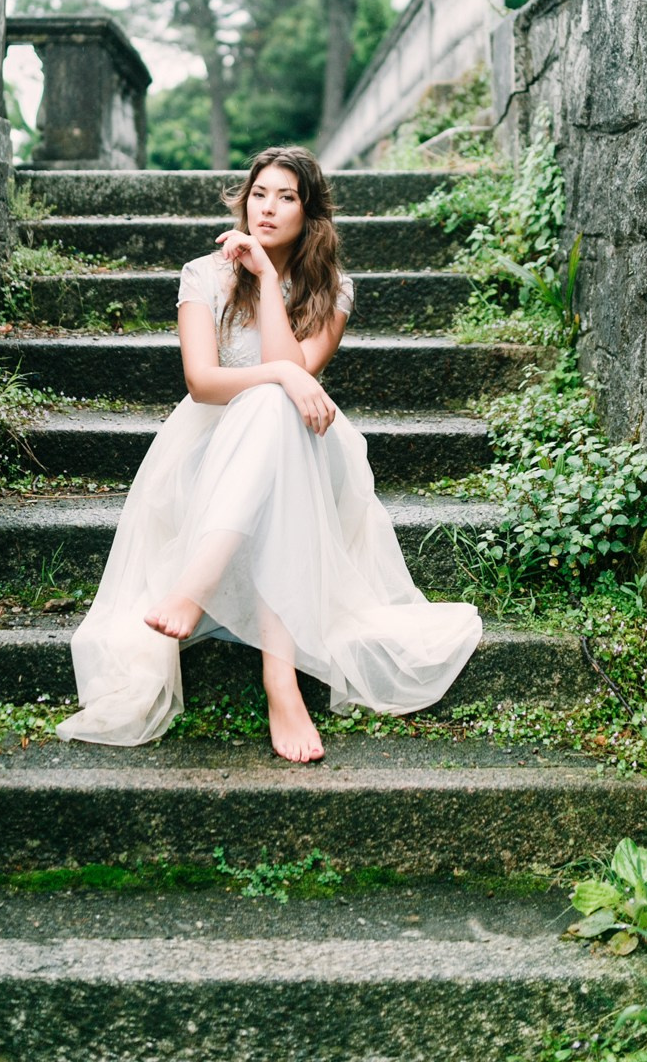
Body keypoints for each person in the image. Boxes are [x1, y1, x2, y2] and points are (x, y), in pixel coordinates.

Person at [57, 146, 482, 763]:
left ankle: (201, 594)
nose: (269, 208)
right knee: (270, 398)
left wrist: (264, 282)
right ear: (244, 198)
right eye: (260, 193)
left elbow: (294, 376)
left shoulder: (333, 290)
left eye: (287, 197)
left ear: (309, 214)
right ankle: (279, 680)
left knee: (275, 405)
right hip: (211, 453)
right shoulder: (202, 274)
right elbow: (203, 382)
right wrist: (284, 377)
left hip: (310, 458)